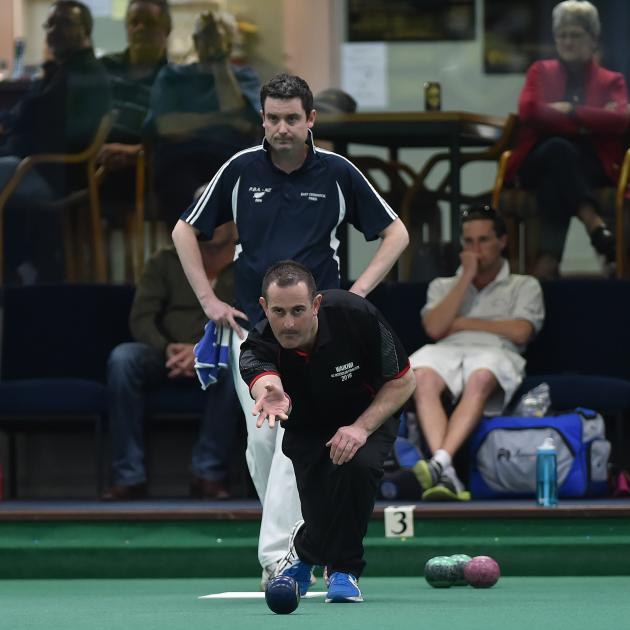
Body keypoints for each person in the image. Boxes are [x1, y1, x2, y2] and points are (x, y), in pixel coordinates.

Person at [171, 73, 409, 587]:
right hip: (251, 332)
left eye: (292, 118)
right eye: (273, 118)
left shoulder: (339, 172)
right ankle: (306, 543)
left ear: (310, 120)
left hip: (319, 335)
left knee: (285, 443)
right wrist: (208, 300)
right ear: (262, 119)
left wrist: (358, 293)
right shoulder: (238, 169)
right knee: (263, 446)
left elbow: (397, 232)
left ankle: (280, 559)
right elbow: (183, 229)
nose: (282, 127)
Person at [239, 260, 415, 602]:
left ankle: (344, 570)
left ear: (316, 304)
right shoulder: (259, 342)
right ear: (264, 307)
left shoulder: (356, 315)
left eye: (298, 310)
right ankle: (305, 554)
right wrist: (269, 391)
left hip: (368, 413)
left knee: (358, 469)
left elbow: (404, 380)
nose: (288, 323)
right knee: (320, 507)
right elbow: (262, 376)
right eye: (278, 311)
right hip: (307, 423)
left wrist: (360, 429)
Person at [409, 204, 544, 501]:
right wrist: (465, 277)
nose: (476, 248)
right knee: (421, 376)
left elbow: (522, 332)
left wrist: (462, 323)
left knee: (481, 377)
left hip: (495, 352)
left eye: (483, 240)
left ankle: (440, 463)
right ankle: (446, 470)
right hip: (446, 350)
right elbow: (434, 329)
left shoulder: (524, 284)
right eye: (468, 242)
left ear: (502, 242)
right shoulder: (443, 285)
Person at [101, 222, 242, 500]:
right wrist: (165, 348)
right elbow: (141, 318)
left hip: (218, 354)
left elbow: (252, 320)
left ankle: (208, 474)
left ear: (235, 225)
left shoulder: (248, 263)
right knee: (122, 359)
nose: (209, 220)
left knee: (237, 364)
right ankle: (129, 476)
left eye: (219, 214)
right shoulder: (165, 260)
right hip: (167, 354)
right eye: (203, 212)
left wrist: (204, 352)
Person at [506, 0, 630, 279]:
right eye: (562, 35)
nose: (567, 41)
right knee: (557, 151)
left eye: (575, 35)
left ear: (593, 39)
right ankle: (594, 224)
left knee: (558, 168)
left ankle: (547, 264)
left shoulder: (611, 80)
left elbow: (620, 121)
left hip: (589, 167)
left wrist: (570, 111)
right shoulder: (540, 71)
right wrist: (591, 122)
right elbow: (529, 112)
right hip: (536, 162)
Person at [0, 0, 111, 283]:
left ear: (86, 29)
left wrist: (14, 127)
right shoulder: (62, 70)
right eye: (49, 24)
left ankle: (12, 271)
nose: (53, 31)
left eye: (63, 23)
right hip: (37, 166)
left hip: (55, 174)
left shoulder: (84, 74)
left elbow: (53, 129)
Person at [145, 7, 262, 226]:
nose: (207, 42)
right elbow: (166, 125)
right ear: (195, 41)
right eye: (203, 36)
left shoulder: (244, 77)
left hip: (230, 162)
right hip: (180, 160)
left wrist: (219, 61)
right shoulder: (173, 76)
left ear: (229, 43)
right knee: (184, 194)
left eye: (215, 37)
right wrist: (220, 120)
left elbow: (240, 117)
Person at [98, 0, 171, 171]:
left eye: (150, 23)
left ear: (166, 30)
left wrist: (138, 152)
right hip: (90, 162)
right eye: (134, 22)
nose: (140, 28)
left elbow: (179, 138)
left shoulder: (175, 80)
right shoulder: (104, 67)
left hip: (143, 171)